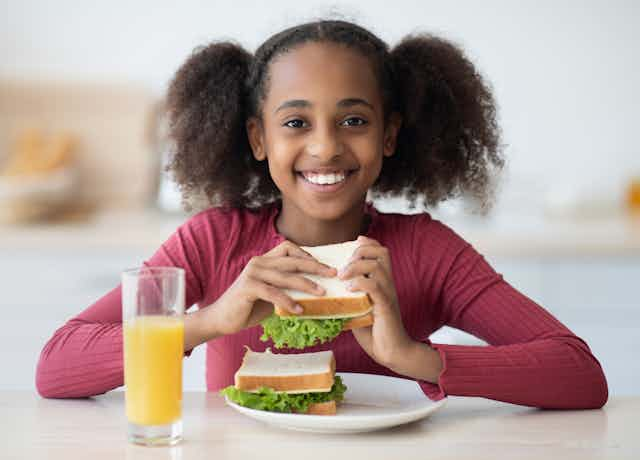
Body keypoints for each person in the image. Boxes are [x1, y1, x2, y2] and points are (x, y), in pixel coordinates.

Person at [36, 19, 608, 409]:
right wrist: (212, 320)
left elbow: (580, 374)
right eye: (296, 122)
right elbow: (55, 367)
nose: (327, 147)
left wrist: (410, 356)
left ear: (390, 135)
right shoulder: (213, 240)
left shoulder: (426, 250)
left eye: (354, 121)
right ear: (259, 139)